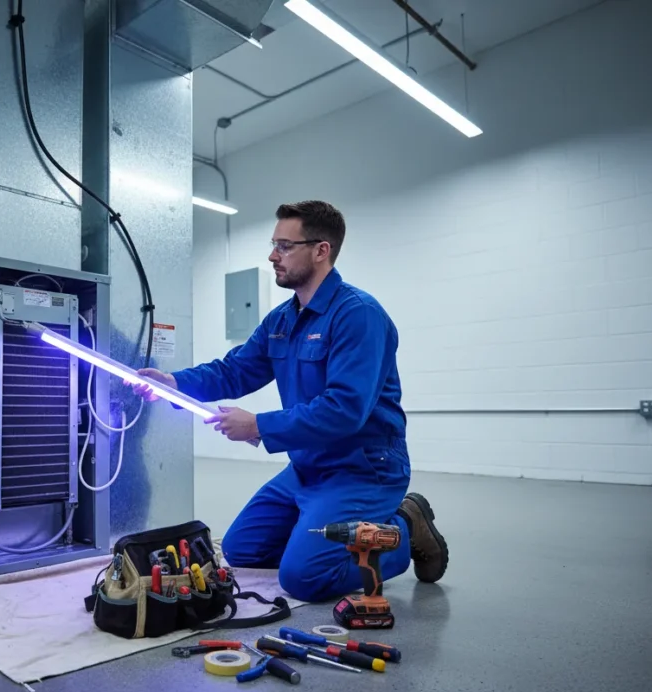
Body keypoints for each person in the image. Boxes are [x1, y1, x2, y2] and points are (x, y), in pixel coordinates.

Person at [129, 200, 448, 602]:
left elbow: (345, 409)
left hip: (363, 470)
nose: (272, 255)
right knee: (242, 550)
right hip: (307, 468)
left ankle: (405, 527)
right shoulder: (283, 319)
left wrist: (259, 426)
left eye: (284, 246)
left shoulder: (359, 315)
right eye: (273, 244)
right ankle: (319, 530)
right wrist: (174, 382)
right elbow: (236, 369)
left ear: (321, 250)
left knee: (304, 578)